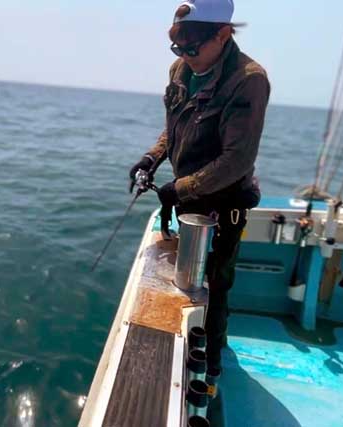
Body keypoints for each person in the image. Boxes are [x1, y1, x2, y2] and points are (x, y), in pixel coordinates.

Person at [129, 0, 270, 381]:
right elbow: (175, 127)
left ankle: (213, 363)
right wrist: (151, 158)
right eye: (178, 48)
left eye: (192, 48)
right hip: (186, 197)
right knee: (187, 276)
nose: (185, 56)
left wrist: (180, 188)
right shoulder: (181, 68)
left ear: (222, 35)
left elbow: (237, 160)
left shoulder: (248, 80)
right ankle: (190, 347)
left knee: (217, 282)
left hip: (226, 201)